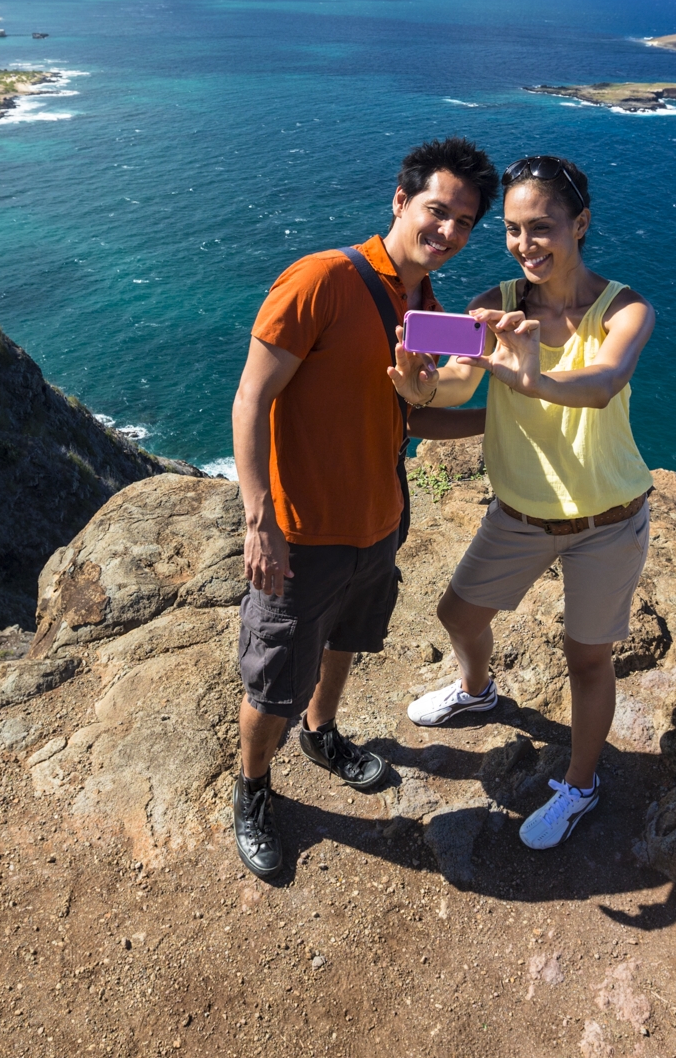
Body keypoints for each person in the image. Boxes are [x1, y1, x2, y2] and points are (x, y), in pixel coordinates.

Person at [230, 137, 499, 879]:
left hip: (379, 519)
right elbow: (252, 397)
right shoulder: (321, 278)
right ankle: (253, 786)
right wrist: (261, 519)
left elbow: (414, 415)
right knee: (276, 674)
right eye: (436, 211)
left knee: (346, 640)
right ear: (400, 200)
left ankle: (322, 733)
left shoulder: (427, 306)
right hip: (304, 532)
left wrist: (500, 418)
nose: (447, 231)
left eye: (464, 222)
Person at [395, 155, 656, 851]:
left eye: (540, 227)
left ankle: (580, 783)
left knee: (586, 658)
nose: (524, 243)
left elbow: (603, 382)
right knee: (457, 613)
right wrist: (419, 386)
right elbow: (451, 385)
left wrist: (535, 378)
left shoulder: (625, 309)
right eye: (511, 229)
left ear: (581, 224)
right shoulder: (497, 302)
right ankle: (477, 689)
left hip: (608, 519)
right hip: (520, 512)